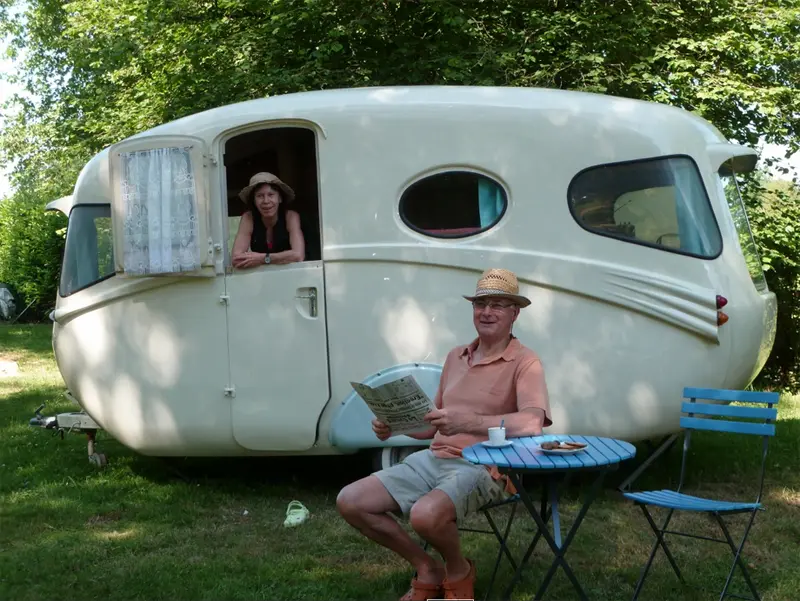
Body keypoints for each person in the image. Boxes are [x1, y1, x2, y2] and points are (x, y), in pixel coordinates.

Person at [336, 268, 553, 601]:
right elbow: (434, 424)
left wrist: (467, 423)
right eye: (480, 304)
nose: (487, 312)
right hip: (435, 457)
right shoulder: (456, 356)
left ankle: (457, 570)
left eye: (497, 305)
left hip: (486, 466)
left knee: (425, 514)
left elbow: (531, 424)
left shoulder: (525, 361)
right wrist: (395, 425)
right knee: (351, 501)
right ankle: (427, 567)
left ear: (515, 313)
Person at [231, 172, 305, 268]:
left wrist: (263, 258)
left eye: (271, 195)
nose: (266, 201)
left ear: (280, 198)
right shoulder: (249, 218)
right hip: (262, 279)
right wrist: (279, 258)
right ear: (253, 201)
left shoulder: (290, 217)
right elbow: (236, 259)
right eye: (260, 196)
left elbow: (298, 255)